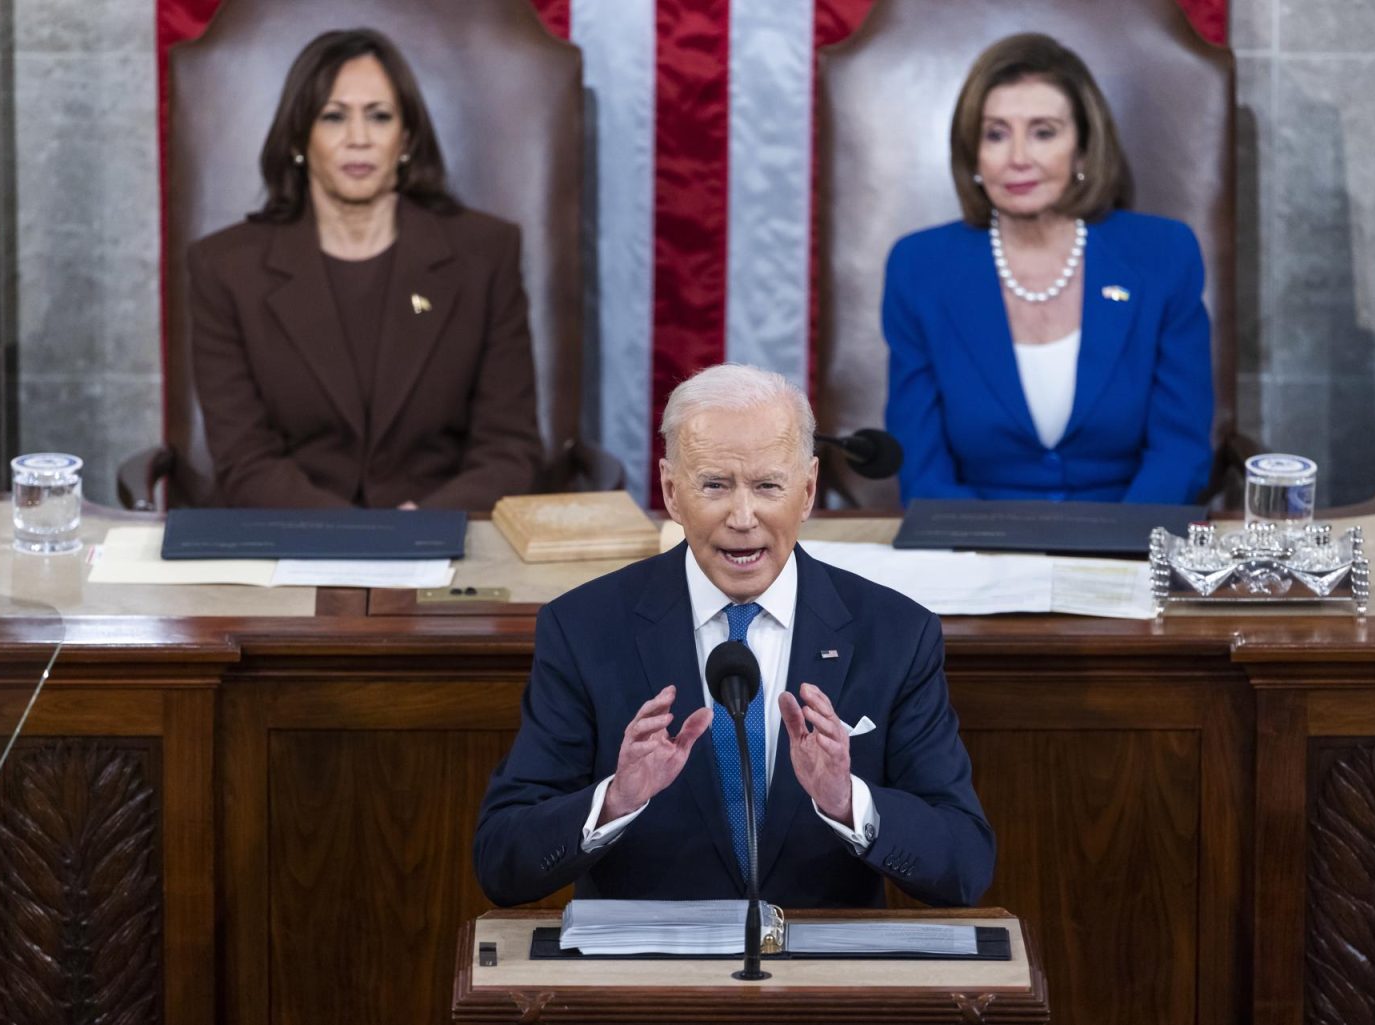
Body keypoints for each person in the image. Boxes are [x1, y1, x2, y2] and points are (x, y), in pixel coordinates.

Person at [474, 363, 994, 908]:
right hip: (648, 981)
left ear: (809, 490)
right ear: (673, 493)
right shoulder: (583, 628)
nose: (742, 517)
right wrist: (614, 801)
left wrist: (848, 802)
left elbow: (963, 865)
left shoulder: (896, 633)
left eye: (768, 486)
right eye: (715, 485)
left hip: (823, 979)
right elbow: (501, 862)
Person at [189, 29, 543, 509]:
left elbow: (509, 447)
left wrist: (422, 525)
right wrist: (359, 537)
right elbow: (244, 459)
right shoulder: (225, 268)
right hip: (291, 540)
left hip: (446, 541)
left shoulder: (486, 254)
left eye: (378, 117)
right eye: (333, 117)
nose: (358, 139)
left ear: (406, 138)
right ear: (299, 137)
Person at [884, 33, 1214, 505]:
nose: (1018, 157)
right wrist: (984, 563)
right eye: (996, 134)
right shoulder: (919, 268)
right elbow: (922, 462)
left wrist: (1114, 556)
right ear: (973, 155)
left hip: (1128, 544)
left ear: (1082, 149)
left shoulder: (1163, 255)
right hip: (974, 550)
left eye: (1043, 132)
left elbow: (1179, 450)